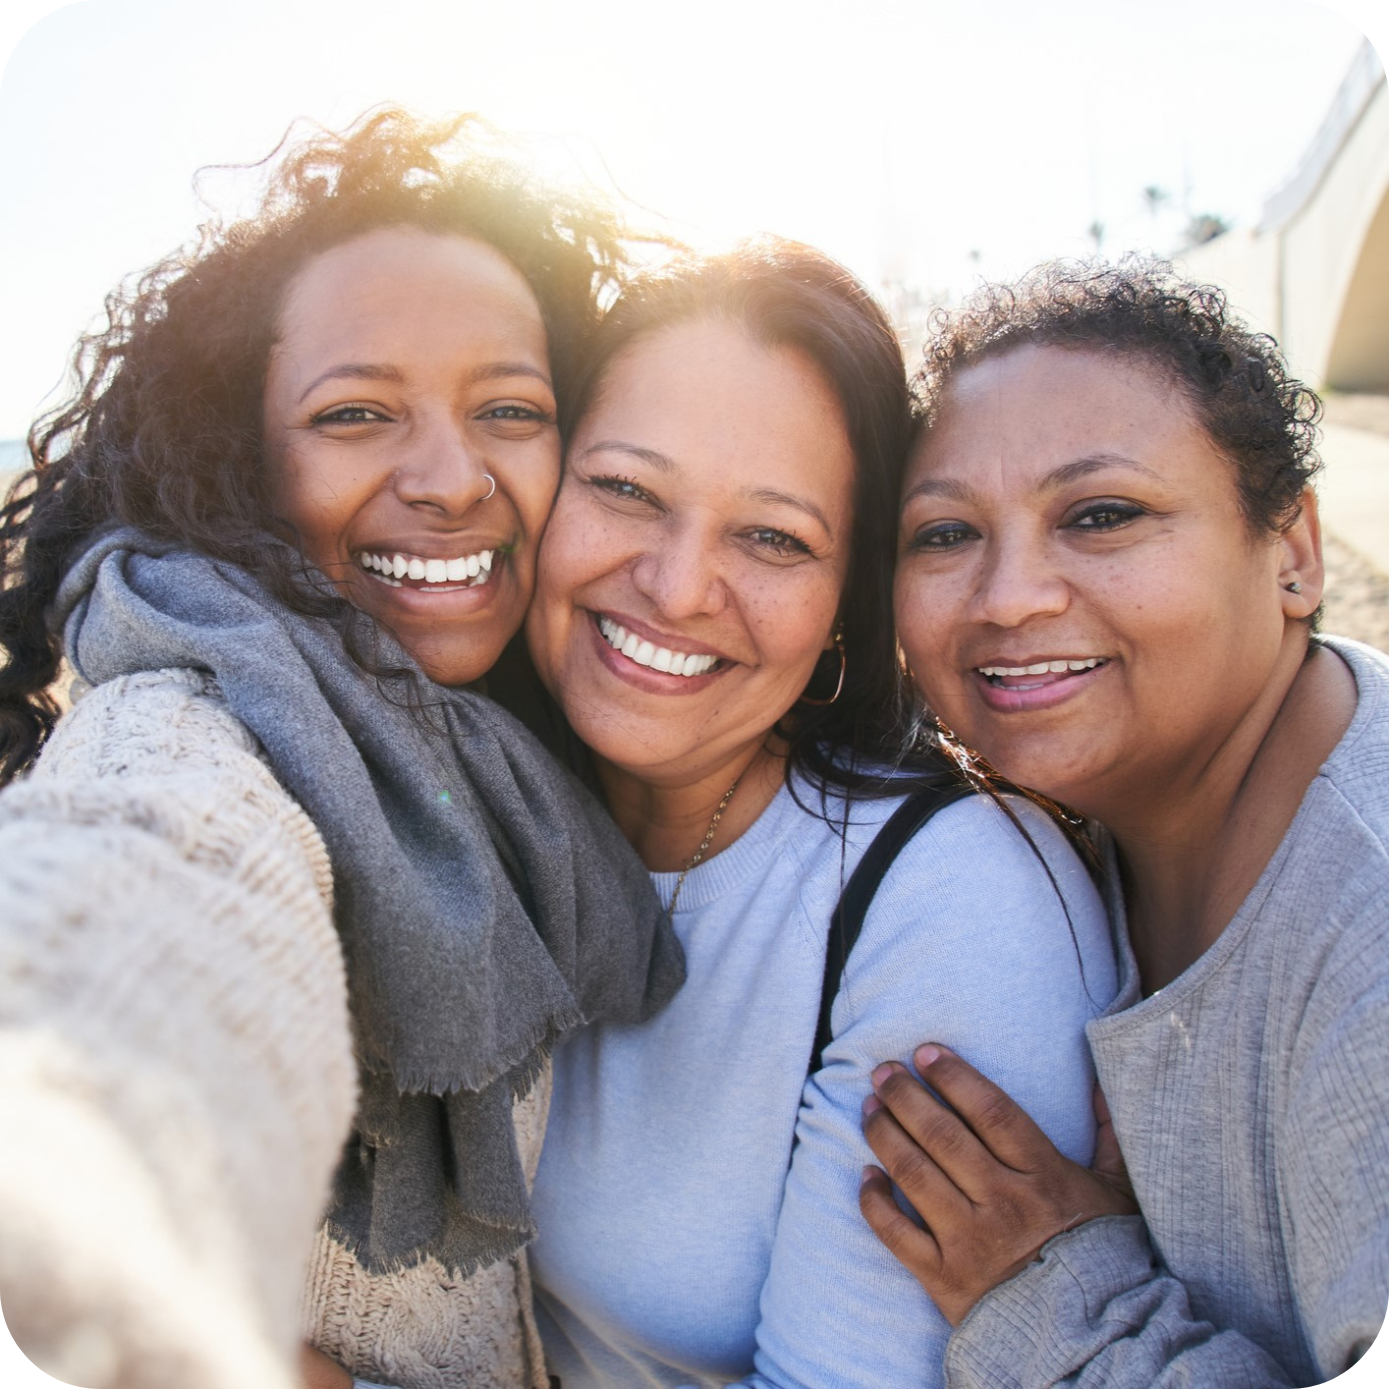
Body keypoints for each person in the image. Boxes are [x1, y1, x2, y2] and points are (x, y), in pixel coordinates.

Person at [0, 110, 683, 1389]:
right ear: (240, 457)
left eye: (510, 408)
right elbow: (145, 878)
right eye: (359, 413)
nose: (449, 476)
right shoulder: (196, 714)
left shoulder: (505, 742)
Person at [519, 240, 1118, 1387]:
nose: (680, 584)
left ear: (849, 599)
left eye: (774, 537)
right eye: (627, 489)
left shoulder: (946, 898)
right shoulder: (489, 807)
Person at [862, 258, 1389, 1385]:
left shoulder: (1371, 945)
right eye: (945, 534)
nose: (1007, 597)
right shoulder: (1078, 827)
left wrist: (1066, 1294)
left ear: (1293, 553)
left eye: (1102, 516)